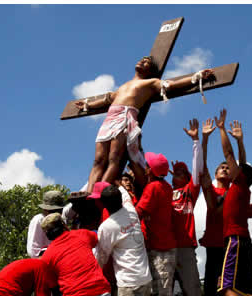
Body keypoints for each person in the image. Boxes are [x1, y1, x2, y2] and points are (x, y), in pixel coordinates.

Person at [75, 56, 213, 193]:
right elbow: (108, 99)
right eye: (142, 59)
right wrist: (88, 105)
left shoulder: (151, 83)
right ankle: (88, 194)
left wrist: (196, 76)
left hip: (125, 117)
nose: (142, 61)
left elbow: (171, 84)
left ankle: (98, 193)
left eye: (147, 62)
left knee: (114, 157)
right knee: (98, 160)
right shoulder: (124, 86)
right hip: (110, 118)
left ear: (150, 71)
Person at [215, 109, 252, 296]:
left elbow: (229, 153)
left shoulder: (239, 184)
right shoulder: (239, 187)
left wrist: (222, 130)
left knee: (225, 286)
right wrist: (241, 140)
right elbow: (239, 160)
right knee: (244, 289)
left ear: (240, 174)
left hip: (235, 240)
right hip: (243, 241)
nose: (229, 167)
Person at [94, 185, 152, 296]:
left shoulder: (107, 226)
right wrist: (117, 181)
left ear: (103, 205)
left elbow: (101, 257)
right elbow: (125, 194)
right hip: (145, 277)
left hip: (129, 281)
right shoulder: (131, 211)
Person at [135, 152, 182, 296]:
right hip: (167, 247)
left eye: (147, 166)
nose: (144, 168)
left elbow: (139, 212)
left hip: (159, 249)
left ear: (150, 171)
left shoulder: (152, 187)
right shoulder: (166, 186)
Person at [170, 118, 204, 296]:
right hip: (165, 249)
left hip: (185, 248)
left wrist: (195, 141)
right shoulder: (163, 192)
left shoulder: (189, 192)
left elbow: (198, 169)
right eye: (175, 172)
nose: (177, 175)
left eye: (182, 172)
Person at [199, 118, 231, 296]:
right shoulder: (213, 191)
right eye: (222, 167)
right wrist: (205, 138)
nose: (225, 169)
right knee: (211, 295)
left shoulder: (236, 191)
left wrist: (223, 132)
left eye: (228, 167)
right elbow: (202, 168)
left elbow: (232, 157)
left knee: (235, 289)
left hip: (231, 243)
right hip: (213, 245)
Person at [27, 190, 65, 257]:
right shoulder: (39, 220)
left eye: (59, 210)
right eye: (53, 210)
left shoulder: (61, 220)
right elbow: (33, 250)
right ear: (45, 209)